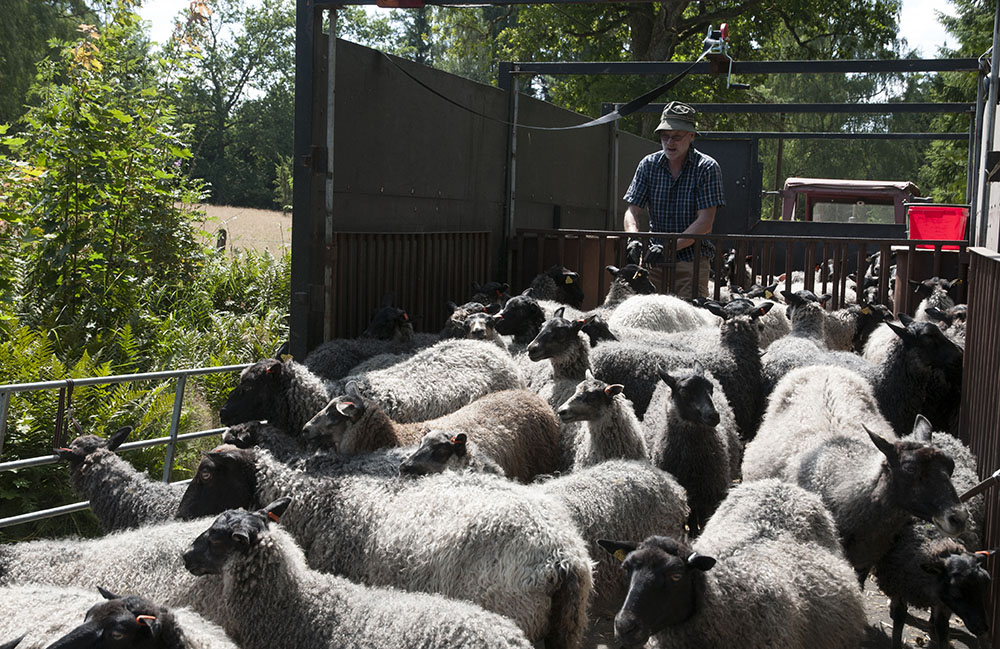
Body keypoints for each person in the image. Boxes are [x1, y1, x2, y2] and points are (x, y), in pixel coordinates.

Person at [622, 101, 725, 298]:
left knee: (691, 319)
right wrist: (633, 238)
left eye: (677, 137)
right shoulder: (648, 165)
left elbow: (705, 221)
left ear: (691, 136)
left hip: (692, 260)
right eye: (665, 136)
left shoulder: (707, 168)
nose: (670, 143)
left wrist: (669, 246)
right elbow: (632, 210)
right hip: (654, 259)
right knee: (645, 315)